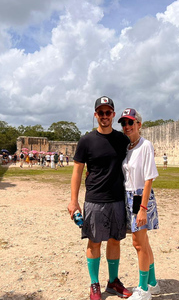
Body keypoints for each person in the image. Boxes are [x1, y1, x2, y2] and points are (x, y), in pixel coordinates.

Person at [68, 96, 132, 300]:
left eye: (108, 112)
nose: (105, 116)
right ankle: (94, 284)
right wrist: (73, 201)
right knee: (94, 242)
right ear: (96, 115)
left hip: (117, 199)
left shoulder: (122, 140)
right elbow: (77, 172)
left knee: (115, 240)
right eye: (101, 112)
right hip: (94, 199)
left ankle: (113, 281)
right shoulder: (86, 141)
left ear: (113, 114)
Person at [118, 108, 160, 300]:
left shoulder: (145, 146)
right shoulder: (128, 148)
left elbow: (149, 179)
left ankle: (143, 289)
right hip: (128, 196)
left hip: (138, 197)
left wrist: (142, 208)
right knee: (144, 242)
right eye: (124, 123)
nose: (126, 126)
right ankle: (152, 282)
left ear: (139, 124)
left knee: (138, 243)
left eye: (130, 123)